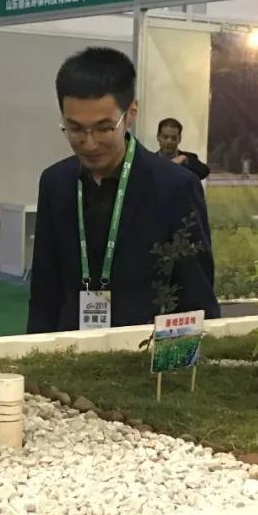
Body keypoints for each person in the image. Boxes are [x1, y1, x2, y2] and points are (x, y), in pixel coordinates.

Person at [28, 47, 219, 333]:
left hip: (143, 347)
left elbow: (195, 294)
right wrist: (37, 351)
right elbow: (45, 288)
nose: (89, 143)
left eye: (104, 128)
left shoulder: (175, 187)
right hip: (69, 344)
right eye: (75, 128)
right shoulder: (55, 182)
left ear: (131, 112)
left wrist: (183, 358)